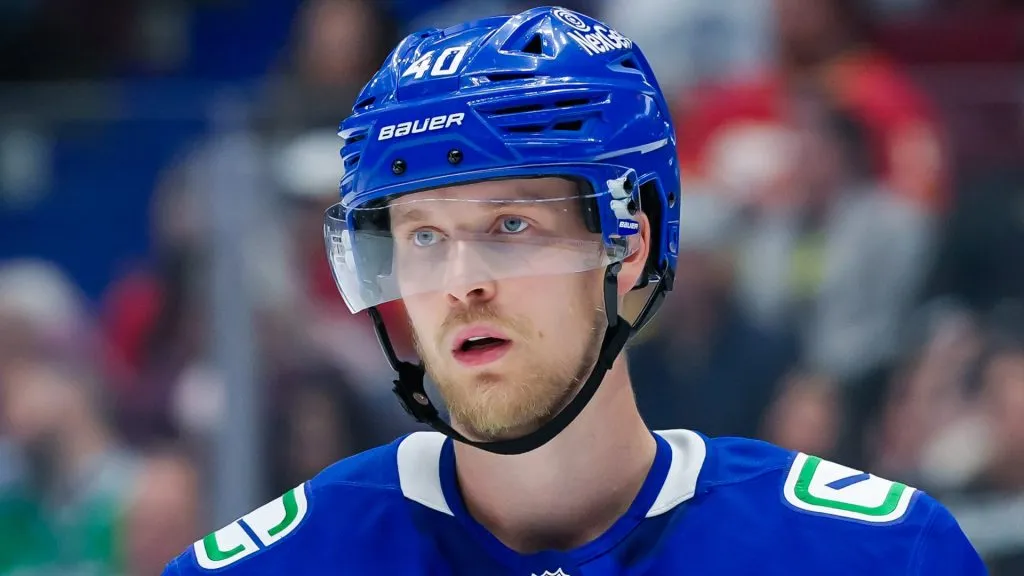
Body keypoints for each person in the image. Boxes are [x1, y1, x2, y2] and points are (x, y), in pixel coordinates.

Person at [163, 7, 984, 575]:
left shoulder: (873, 557)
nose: (461, 284)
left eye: (511, 226)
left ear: (635, 243)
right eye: (420, 237)